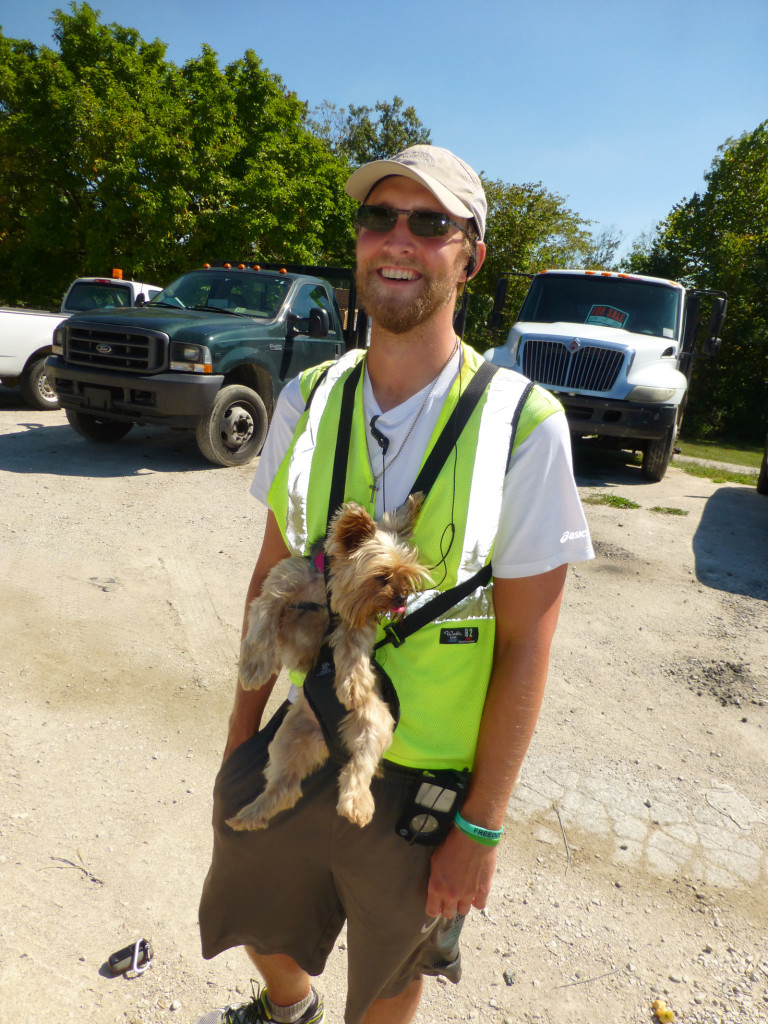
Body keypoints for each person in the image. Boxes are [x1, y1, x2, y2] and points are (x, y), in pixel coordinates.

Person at [196, 144, 593, 1024]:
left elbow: (529, 642)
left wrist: (481, 826)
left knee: (387, 977)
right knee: (250, 911)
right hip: (305, 728)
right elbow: (270, 576)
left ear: (470, 255)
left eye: (430, 222)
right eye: (379, 217)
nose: (397, 239)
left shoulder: (524, 423)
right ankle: (289, 1005)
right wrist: (238, 738)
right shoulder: (309, 396)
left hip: (423, 784)